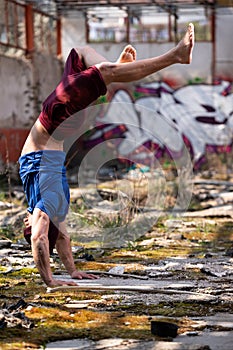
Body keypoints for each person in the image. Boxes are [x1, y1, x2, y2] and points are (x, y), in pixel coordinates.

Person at [18, 23, 195, 287]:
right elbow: (43, 238)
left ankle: (117, 68)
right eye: (27, 223)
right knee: (101, 71)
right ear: (32, 223)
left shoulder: (48, 202)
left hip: (53, 129)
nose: (25, 219)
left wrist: (70, 271)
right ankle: (175, 56)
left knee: (80, 54)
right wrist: (52, 281)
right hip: (56, 124)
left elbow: (57, 238)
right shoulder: (51, 203)